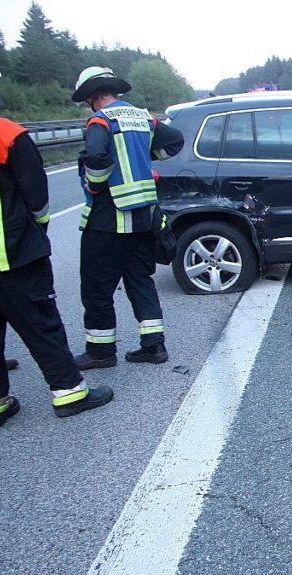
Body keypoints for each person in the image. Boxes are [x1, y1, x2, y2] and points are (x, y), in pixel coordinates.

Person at [0, 75, 113, 426]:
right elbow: (36, 197)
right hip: (12, 253)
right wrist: (37, 231)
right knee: (41, 323)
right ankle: (69, 392)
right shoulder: (7, 135)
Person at [71, 66, 183, 371]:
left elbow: (95, 158)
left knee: (96, 287)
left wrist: (94, 183)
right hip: (144, 216)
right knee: (139, 279)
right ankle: (154, 345)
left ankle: (100, 351)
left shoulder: (100, 120)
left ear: (93, 97)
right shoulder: (143, 117)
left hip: (109, 217)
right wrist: (145, 156)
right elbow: (175, 141)